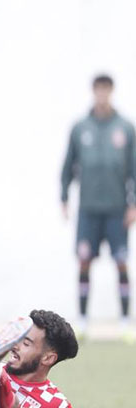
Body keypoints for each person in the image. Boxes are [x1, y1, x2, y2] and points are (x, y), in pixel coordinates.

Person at [61, 74, 136, 340]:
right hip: (89, 211)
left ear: (111, 91)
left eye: (106, 90)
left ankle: (126, 322)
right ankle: (82, 323)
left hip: (117, 210)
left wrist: (133, 205)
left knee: (121, 262)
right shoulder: (81, 128)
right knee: (84, 262)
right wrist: (64, 198)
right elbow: (68, 165)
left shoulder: (125, 128)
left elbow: (134, 169)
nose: (102, 94)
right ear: (94, 92)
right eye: (98, 90)